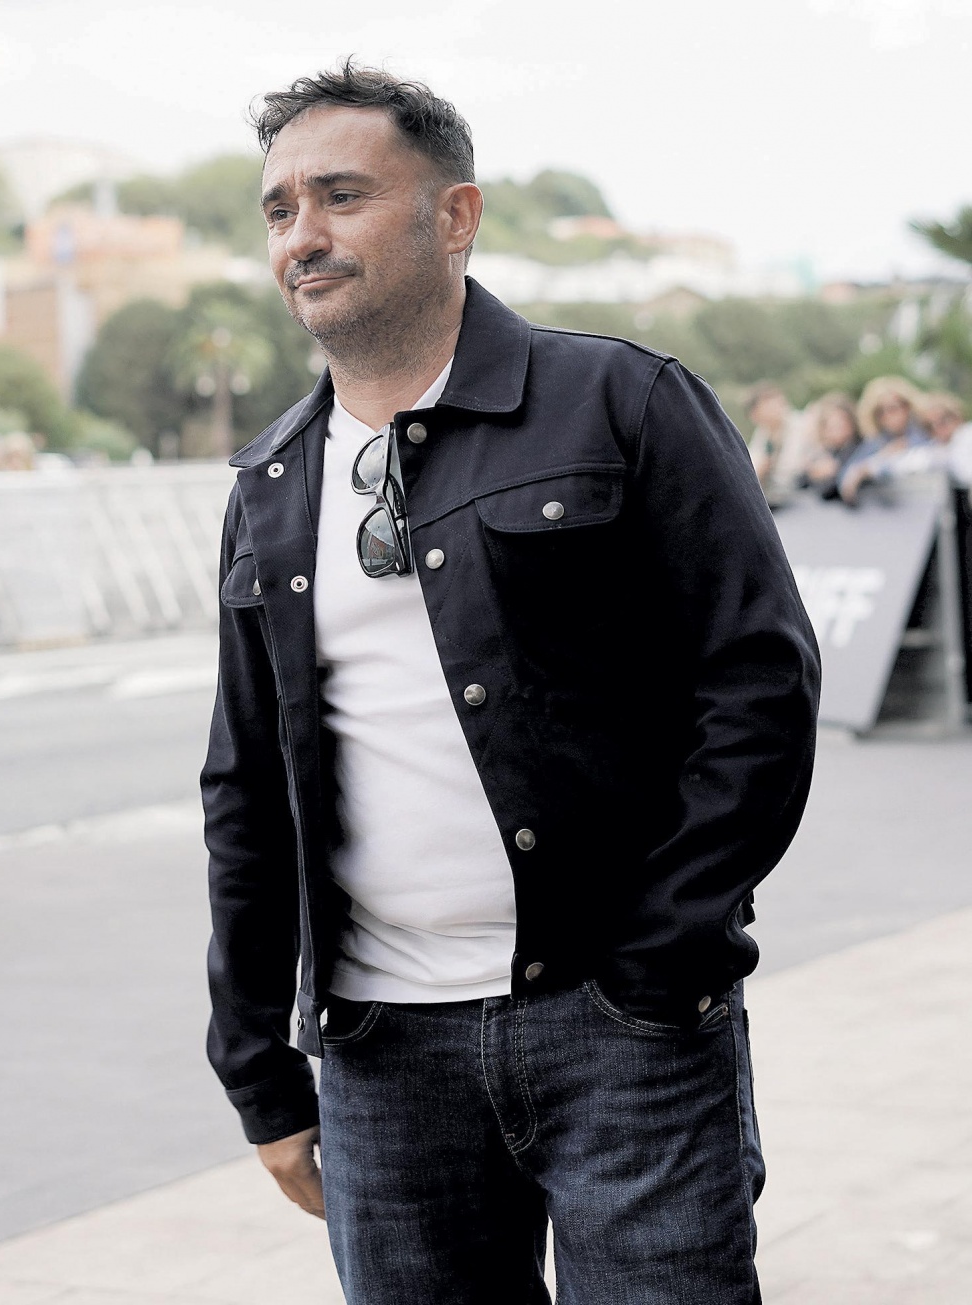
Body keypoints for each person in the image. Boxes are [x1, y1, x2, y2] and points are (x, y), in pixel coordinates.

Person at [202, 61, 820, 1305]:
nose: (302, 235)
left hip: (623, 1025)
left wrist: (663, 955)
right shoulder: (270, 483)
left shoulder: (622, 401)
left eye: (340, 196)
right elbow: (245, 786)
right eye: (279, 209)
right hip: (379, 1058)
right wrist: (258, 1067)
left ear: (455, 215)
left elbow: (757, 685)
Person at [837, 375, 929, 504]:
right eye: (880, 412)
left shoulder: (925, 433)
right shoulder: (876, 443)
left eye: (893, 408)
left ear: (907, 407)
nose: (888, 416)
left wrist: (878, 465)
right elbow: (846, 478)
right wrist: (871, 465)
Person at [745, 381, 814, 506]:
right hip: (776, 499)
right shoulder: (763, 434)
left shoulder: (801, 425)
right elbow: (752, 470)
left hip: (802, 496)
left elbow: (791, 469)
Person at [798, 392, 862, 500]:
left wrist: (833, 471)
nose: (835, 430)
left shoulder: (859, 448)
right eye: (830, 425)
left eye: (840, 424)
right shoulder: (828, 450)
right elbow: (799, 481)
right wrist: (812, 473)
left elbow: (829, 489)